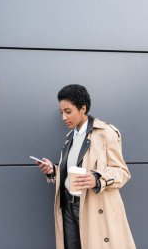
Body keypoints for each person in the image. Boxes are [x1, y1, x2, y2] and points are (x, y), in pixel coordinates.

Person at [35, 84, 136, 249]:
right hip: (67, 206)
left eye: (68, 112)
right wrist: (53, 170)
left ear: (83, 108)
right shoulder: (70, 138)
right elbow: (71, 172)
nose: (64, 118)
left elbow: (122, 172)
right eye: (62, 113)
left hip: (92, 206)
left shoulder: (106, 132)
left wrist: (96, 178)